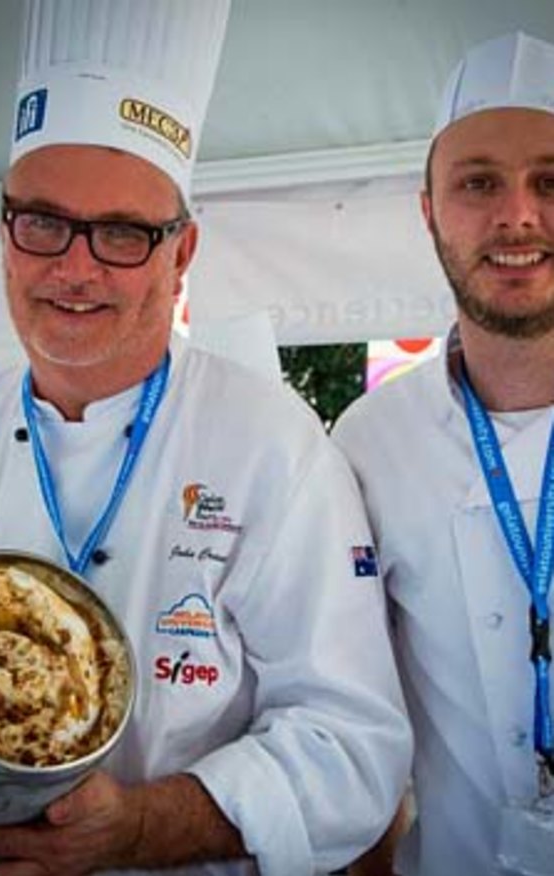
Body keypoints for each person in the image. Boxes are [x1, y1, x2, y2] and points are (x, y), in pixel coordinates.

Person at [0, 2, 412, 875]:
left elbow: (353, 747)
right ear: (6, 233)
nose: (76, 267)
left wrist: (136, 827)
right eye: (44, 222)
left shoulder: (275, 449)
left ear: (183, 253)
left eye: (125, 234)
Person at [333, 30, 554, 876]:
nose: (518, 215)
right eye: (478, 183)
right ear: (428, 210)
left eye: (549, 180)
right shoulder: (365, 442)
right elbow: (355, 715)